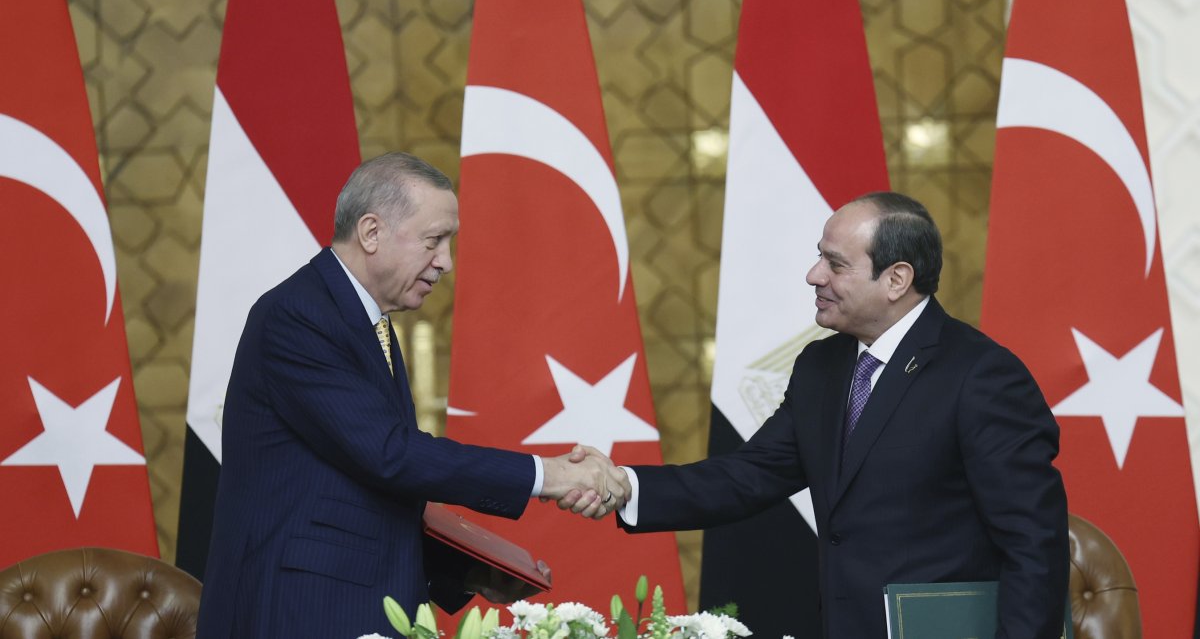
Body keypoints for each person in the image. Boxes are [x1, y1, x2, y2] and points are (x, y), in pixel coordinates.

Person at [567, 192, 1069, 638]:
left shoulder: (981, 375)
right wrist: (626, 487)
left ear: (896, 279)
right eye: (818, 258)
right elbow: (748, 475)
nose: (814, 276)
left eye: (835, 263)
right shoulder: (821, 365)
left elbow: (1034, 546)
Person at [196, 152, 627, 639]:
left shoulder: (365, 321)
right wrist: (547, 474)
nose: (446, 261)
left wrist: (469, 572)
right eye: (434, 240)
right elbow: (390, 454)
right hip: (302, 612)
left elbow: (364, 492)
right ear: (371, 232)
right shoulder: (299, 316)